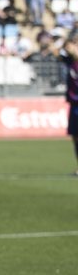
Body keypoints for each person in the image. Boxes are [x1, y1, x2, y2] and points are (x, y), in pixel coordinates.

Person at [61, 35, 78, 175]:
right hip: (74, 104)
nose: (67, 49)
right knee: (75, 137)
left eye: (69, 46)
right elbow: (58, 52)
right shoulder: (71, 62)